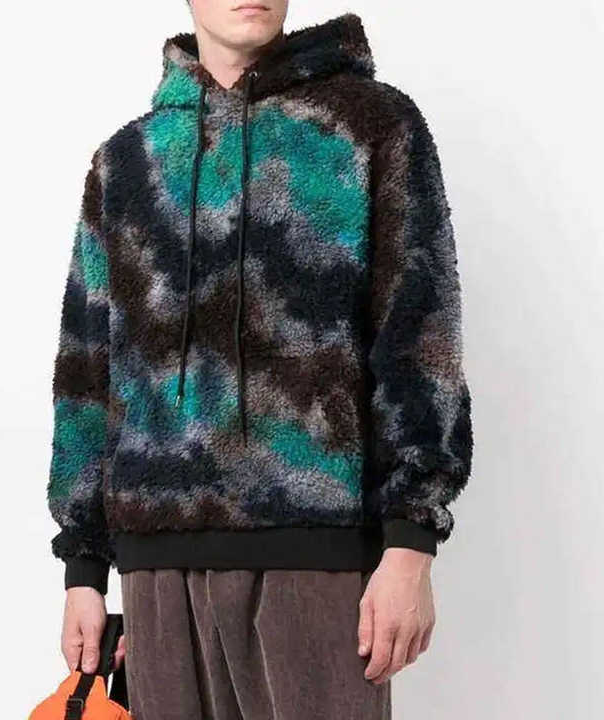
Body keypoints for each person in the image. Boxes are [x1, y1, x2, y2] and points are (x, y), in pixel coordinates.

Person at [46, 3, 473, 718]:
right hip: (155, 571)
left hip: (316, 555)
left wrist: (411, 542)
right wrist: (84, 570)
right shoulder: (126, 162)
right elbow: (88, 369)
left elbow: (419, 336)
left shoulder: (372, 125)